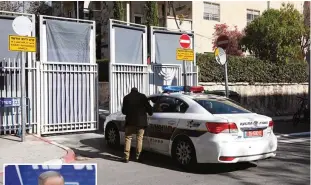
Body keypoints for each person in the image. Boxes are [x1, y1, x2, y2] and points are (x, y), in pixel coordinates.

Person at [121, 87, 153, 163]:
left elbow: (124, 111)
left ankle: (126, 157)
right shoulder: (143, 96)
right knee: (139, 139)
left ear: (131, 91)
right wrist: (150, 112)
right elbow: (149, 108)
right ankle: (138, 157)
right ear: (137, 91)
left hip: (130, 122)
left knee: (128, 138)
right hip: (141, 123)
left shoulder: (126, 97)